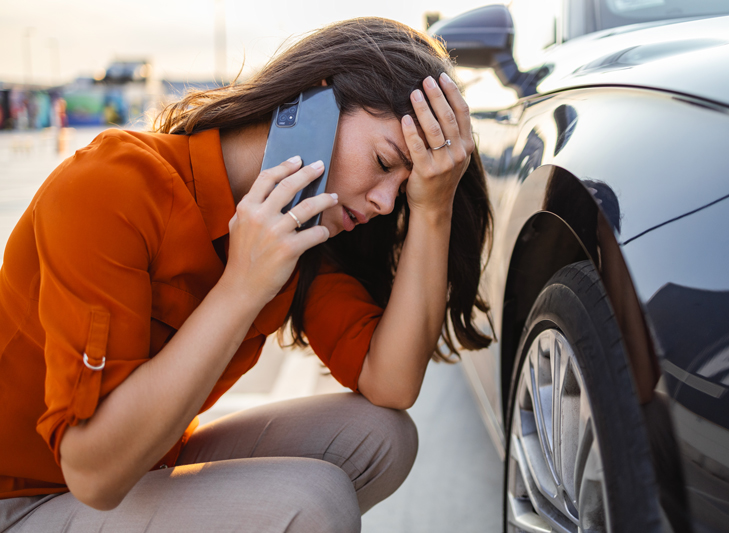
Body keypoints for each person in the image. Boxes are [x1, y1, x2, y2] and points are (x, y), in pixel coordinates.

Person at [0, 17, 492, 533]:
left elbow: (391, 384)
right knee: (311, 504)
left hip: (148, 465)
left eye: (404, 193)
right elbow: (92, 475)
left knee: (383, 436)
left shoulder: (304, 229)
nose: (385, 202)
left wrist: (434, 208)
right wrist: (242, 287)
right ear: (314, 105)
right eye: (384, 161)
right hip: (26, 498)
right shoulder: (109, 188)